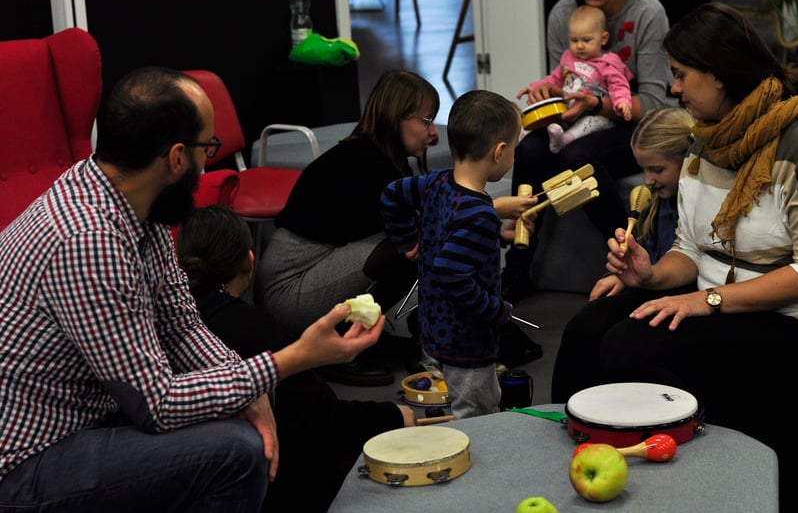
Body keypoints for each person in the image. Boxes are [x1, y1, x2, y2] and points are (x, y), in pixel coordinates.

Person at [0, 66, 384, 513]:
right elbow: (155, 403)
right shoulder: (88, 240)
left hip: (93, 409)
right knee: (236, 450)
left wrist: (254, 391)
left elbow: (182, 324)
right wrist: (295, 357)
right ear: (178, 157)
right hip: (31, 457)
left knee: (254, 398)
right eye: (208, 148)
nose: (209, 163)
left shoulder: (136, 204)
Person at [556, 3, 798, 512]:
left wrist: (704, 300)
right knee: (587, 328)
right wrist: (650, 273)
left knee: (632, 346)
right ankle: (574, 464)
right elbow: (690, 249)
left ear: (720, 73)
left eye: (682, 75)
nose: (675, 89)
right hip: (717, 297)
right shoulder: (706, 137)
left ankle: (669, 487)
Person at [255, 69, 537, 386]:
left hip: (316, 270)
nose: (433, 133)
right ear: (396, 118)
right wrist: (493, 210)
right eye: (425, 121)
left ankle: (357, 329)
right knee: (410, 249)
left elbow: (440, 220)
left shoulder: (383, 158)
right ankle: (337, 349)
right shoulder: (364, 164)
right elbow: (436, 225)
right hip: (290, 289)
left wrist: (493, 229)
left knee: (412, 242)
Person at [176, 204, 415, 512]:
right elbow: (323, 422)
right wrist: (395, 415)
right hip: (273, 483)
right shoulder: (255, 330)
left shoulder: (163, 320)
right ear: (249, 261)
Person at [502, 0, 673, 303]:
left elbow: (653, 104)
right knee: (532, 148)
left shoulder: (647, 13)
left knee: (576, 156)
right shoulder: (564, 13)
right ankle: (517, 264)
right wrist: (549, 93)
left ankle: (629, 254)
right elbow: (563, 80)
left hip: (634, 123)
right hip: (579, 119)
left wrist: (598, 104)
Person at [380, 90, 521, 419]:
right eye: (514, 146)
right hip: (467, 342)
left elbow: (391, 195)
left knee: (459, 405)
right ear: (499, 152)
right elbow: (451, 274)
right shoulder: (480, 213)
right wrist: (496, 309)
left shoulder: (435, 183)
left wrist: (407, 241)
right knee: (477, 417)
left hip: (434, 328)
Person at [551, 106, 694, 402]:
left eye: (657, 170)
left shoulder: (698, 201)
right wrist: (622, 277)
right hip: (654, 286)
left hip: (688, 295)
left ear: (688, 160)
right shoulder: (660, 200)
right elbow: (650, 253)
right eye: (643, 169)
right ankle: (568, 413)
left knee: (620, 343)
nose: (648, 180)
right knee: (584, 325)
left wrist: (644, 279)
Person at [520, 5, 633, 154]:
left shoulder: (609, 63)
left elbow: (619, 86)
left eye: (586, 40)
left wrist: (622, 103)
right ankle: (521, 134)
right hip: (567, 107)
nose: (579, 46)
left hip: (593, 114)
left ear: (603, 38)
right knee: (544, 113)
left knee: (592, 122)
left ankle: (564, 140)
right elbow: (554, 78)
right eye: (574, 40)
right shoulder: (568, 57)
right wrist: (535, 87)